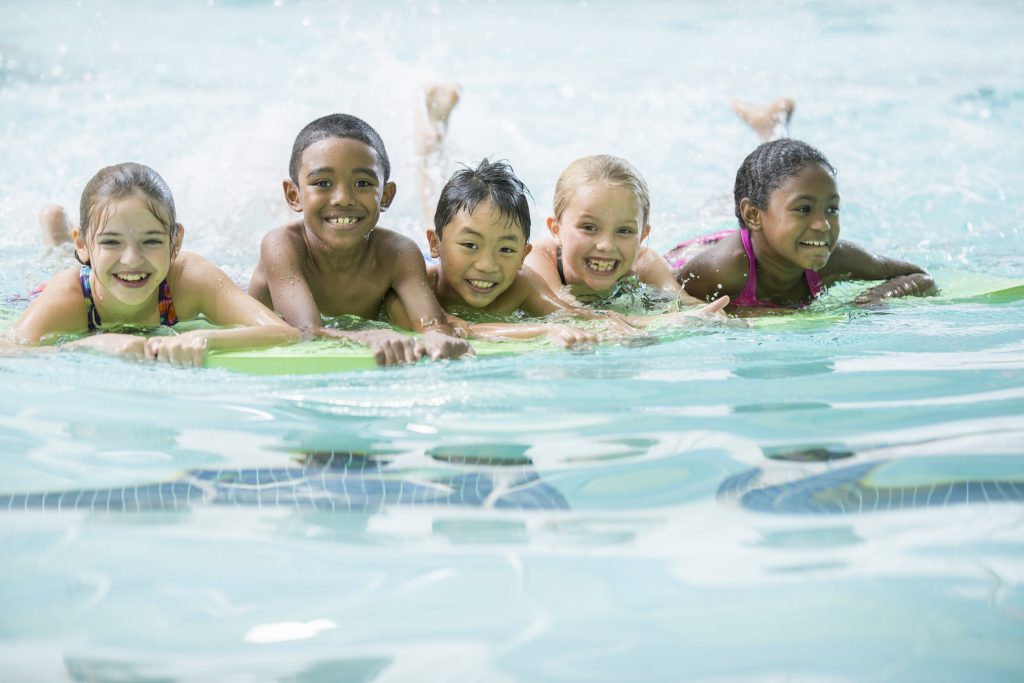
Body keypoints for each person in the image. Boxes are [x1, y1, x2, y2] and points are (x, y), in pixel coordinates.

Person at [414, 85, 728, 331]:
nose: (606, 244)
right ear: (555, 229)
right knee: (455, 216)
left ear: (642, 234)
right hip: (457, 259)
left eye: (624, 231)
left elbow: (687, 306)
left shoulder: (644, 261)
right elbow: (571, 318)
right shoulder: (534, 263)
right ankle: (432, 137)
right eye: (589, 227)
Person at [8, 162, 298, 366]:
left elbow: (286, 333)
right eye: (111, 242)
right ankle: (56, 233)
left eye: (151, 241)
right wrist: (90, 344)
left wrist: (206, 337)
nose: (132, 260)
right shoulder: (68, 298)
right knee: (57, 263)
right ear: (82, 245)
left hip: (102, 268)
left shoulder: (188, 279)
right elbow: (10, 350)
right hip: (75, 281)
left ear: (175, 243)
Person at [248, 113, 472, 366]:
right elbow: (305, 332)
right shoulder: (281, 246)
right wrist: (365, 336)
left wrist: (437, 337)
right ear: (293, 195)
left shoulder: (399, 253)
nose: (343, 198)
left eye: (363, 183)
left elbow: (432, 323)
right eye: (322, 182)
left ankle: (431, 140)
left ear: (386, 196)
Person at [669, 137, 935, 308]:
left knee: (775, 180)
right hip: (699, 247)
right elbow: (658, 302)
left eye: (832, 208)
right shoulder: (720, 270)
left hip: (768, 229)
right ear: (752, 215)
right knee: (715, 208)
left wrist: (880, 296)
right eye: (804, 209)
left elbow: (920, 276)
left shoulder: (836, 258)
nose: (823, 225)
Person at [388, 157, 605, 347]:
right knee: (436, 201)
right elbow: (453, 329)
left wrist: (625, 326)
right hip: (432, 257)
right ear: (435, 244)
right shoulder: (415, 286)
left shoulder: (521, 284)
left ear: (523, 255)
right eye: (470, 245)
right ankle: (430, 136)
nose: (487, 265)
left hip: (450, 247)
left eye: (506, 249)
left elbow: (577, 317)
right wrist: (546, 331)